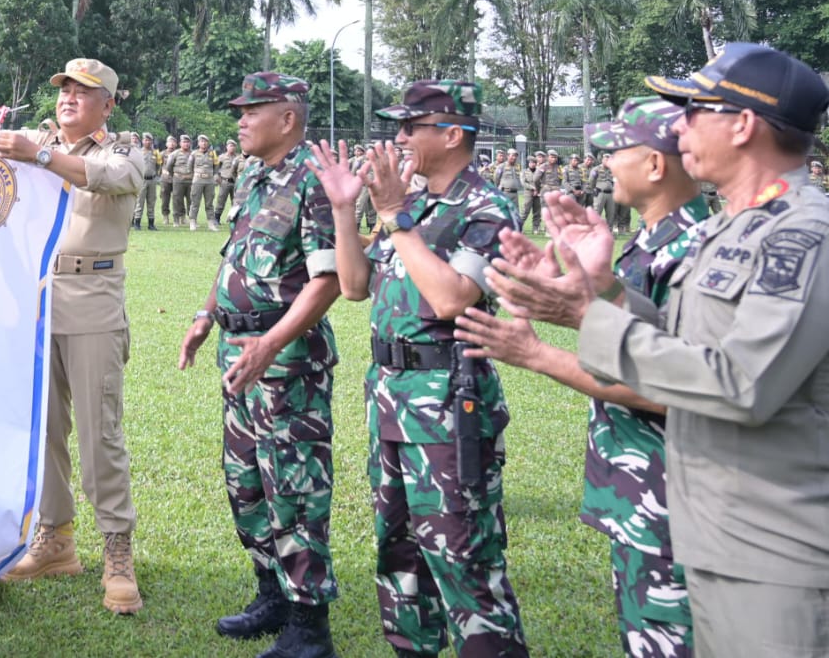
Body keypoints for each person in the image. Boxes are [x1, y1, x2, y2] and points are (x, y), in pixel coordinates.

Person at [488, 44, 829, 658]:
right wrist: (607, 290)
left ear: (744, 124)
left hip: (773, 554)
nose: (679, 126)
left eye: (694, 109)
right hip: (716, 536)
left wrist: (581, 317)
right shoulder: (737, 225)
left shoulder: (800, 237)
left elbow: (740, 385)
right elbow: (682, 345)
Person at [456, 97, 707, 658]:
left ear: (656, 164)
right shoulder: (650, 244)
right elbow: (634, 347)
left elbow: (681, 389)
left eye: (616, 150)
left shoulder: (692, 250)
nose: (606, 163)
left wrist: (536, 354)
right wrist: (579, 283)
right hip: (648, 493)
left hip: (679, 498)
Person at [310, 80, 529, 657]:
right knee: (399, 559)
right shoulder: (414, 205)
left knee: (464, 560)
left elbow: (452, 297)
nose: (398, 138)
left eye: (411, 127)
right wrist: (344, 208)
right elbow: (355, 286)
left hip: (449, 408)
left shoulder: (485, 208)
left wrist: (392, 214)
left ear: (453, 134)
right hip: (391, 402)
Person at [0, 57, 145, 614]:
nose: (68, 98)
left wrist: (41, 155)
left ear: (107, 106)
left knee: (98, 434)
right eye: (64, 89)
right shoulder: (27, 139)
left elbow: (117, 179)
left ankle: (117, 552)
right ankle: (56, 538)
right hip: (30, 301)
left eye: (83, 92)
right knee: (43, 430)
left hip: (92, 302)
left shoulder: (122, 149)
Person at [178, 73, 341, 658]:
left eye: (252, 110)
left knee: (293, 487)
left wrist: (271, 342)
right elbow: (237, 261)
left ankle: (309, 623)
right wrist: (205, 312)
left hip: (287, 364)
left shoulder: (314, 183)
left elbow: (329, 281)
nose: (240, 119)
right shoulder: (255, 176)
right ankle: (271, 591)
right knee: (245, 483)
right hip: (237, 353)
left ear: (288, 118)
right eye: (239, 111)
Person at [131, 132, 161, 231]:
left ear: (152, 141)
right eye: (145, 140)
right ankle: (137, 223)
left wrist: (155, 175)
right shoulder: (138, 152)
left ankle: (151, 224)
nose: (147, 142)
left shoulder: (155, 153)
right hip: (142, 180)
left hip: (152, 180)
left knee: (151, 202)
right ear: (142, 141)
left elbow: (158, 166)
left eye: (149, 140)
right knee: (140, 202)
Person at [189, 134, 218, 231]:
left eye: (205, 141)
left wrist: (215, 175)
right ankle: (192, 221)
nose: (204, 143)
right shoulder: (194, 154)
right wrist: (195, 175)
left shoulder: (213, 154)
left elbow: (216, 166)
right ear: (198, 143)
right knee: (195, 202)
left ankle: (211, 223)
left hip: (209, 181)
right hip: (198, 180)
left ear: (208, 143)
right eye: (202, 141)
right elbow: (189, 167)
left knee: (209, 203)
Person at [212, 137, 242, 229]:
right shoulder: (221, 157)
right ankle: (216, 218)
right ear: (226, 147)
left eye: (234, 146)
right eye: (230, 146)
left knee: (236, 202)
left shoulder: (239, 157)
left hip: (236, 183)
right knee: (221, 200)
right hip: (224, 181)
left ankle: (234, 219)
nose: (232, 147)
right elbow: (215, 169)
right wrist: (217, 178)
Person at [171, 133, 196, 227]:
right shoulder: (175, 154)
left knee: (192, 200)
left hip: (191, 180)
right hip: (178, 180)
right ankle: (176, 219)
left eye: (187, 142)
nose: (186, 144)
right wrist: (176, 175)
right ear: (180, 143)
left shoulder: (194, 153)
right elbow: (169, 166)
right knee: (177, 199)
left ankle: (191, 219)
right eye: (184, 142)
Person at [157, 135, 178, 227]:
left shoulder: (178, 153)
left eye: (173, 142)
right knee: (165, 199)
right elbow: (158, 165)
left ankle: (179, 216)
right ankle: (165, 216)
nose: (172, 144)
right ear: (166, 144)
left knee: (178, 199)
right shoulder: (162, 154)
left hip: (177, 178)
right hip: (165, 179)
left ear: (176, 144)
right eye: (170, 142)